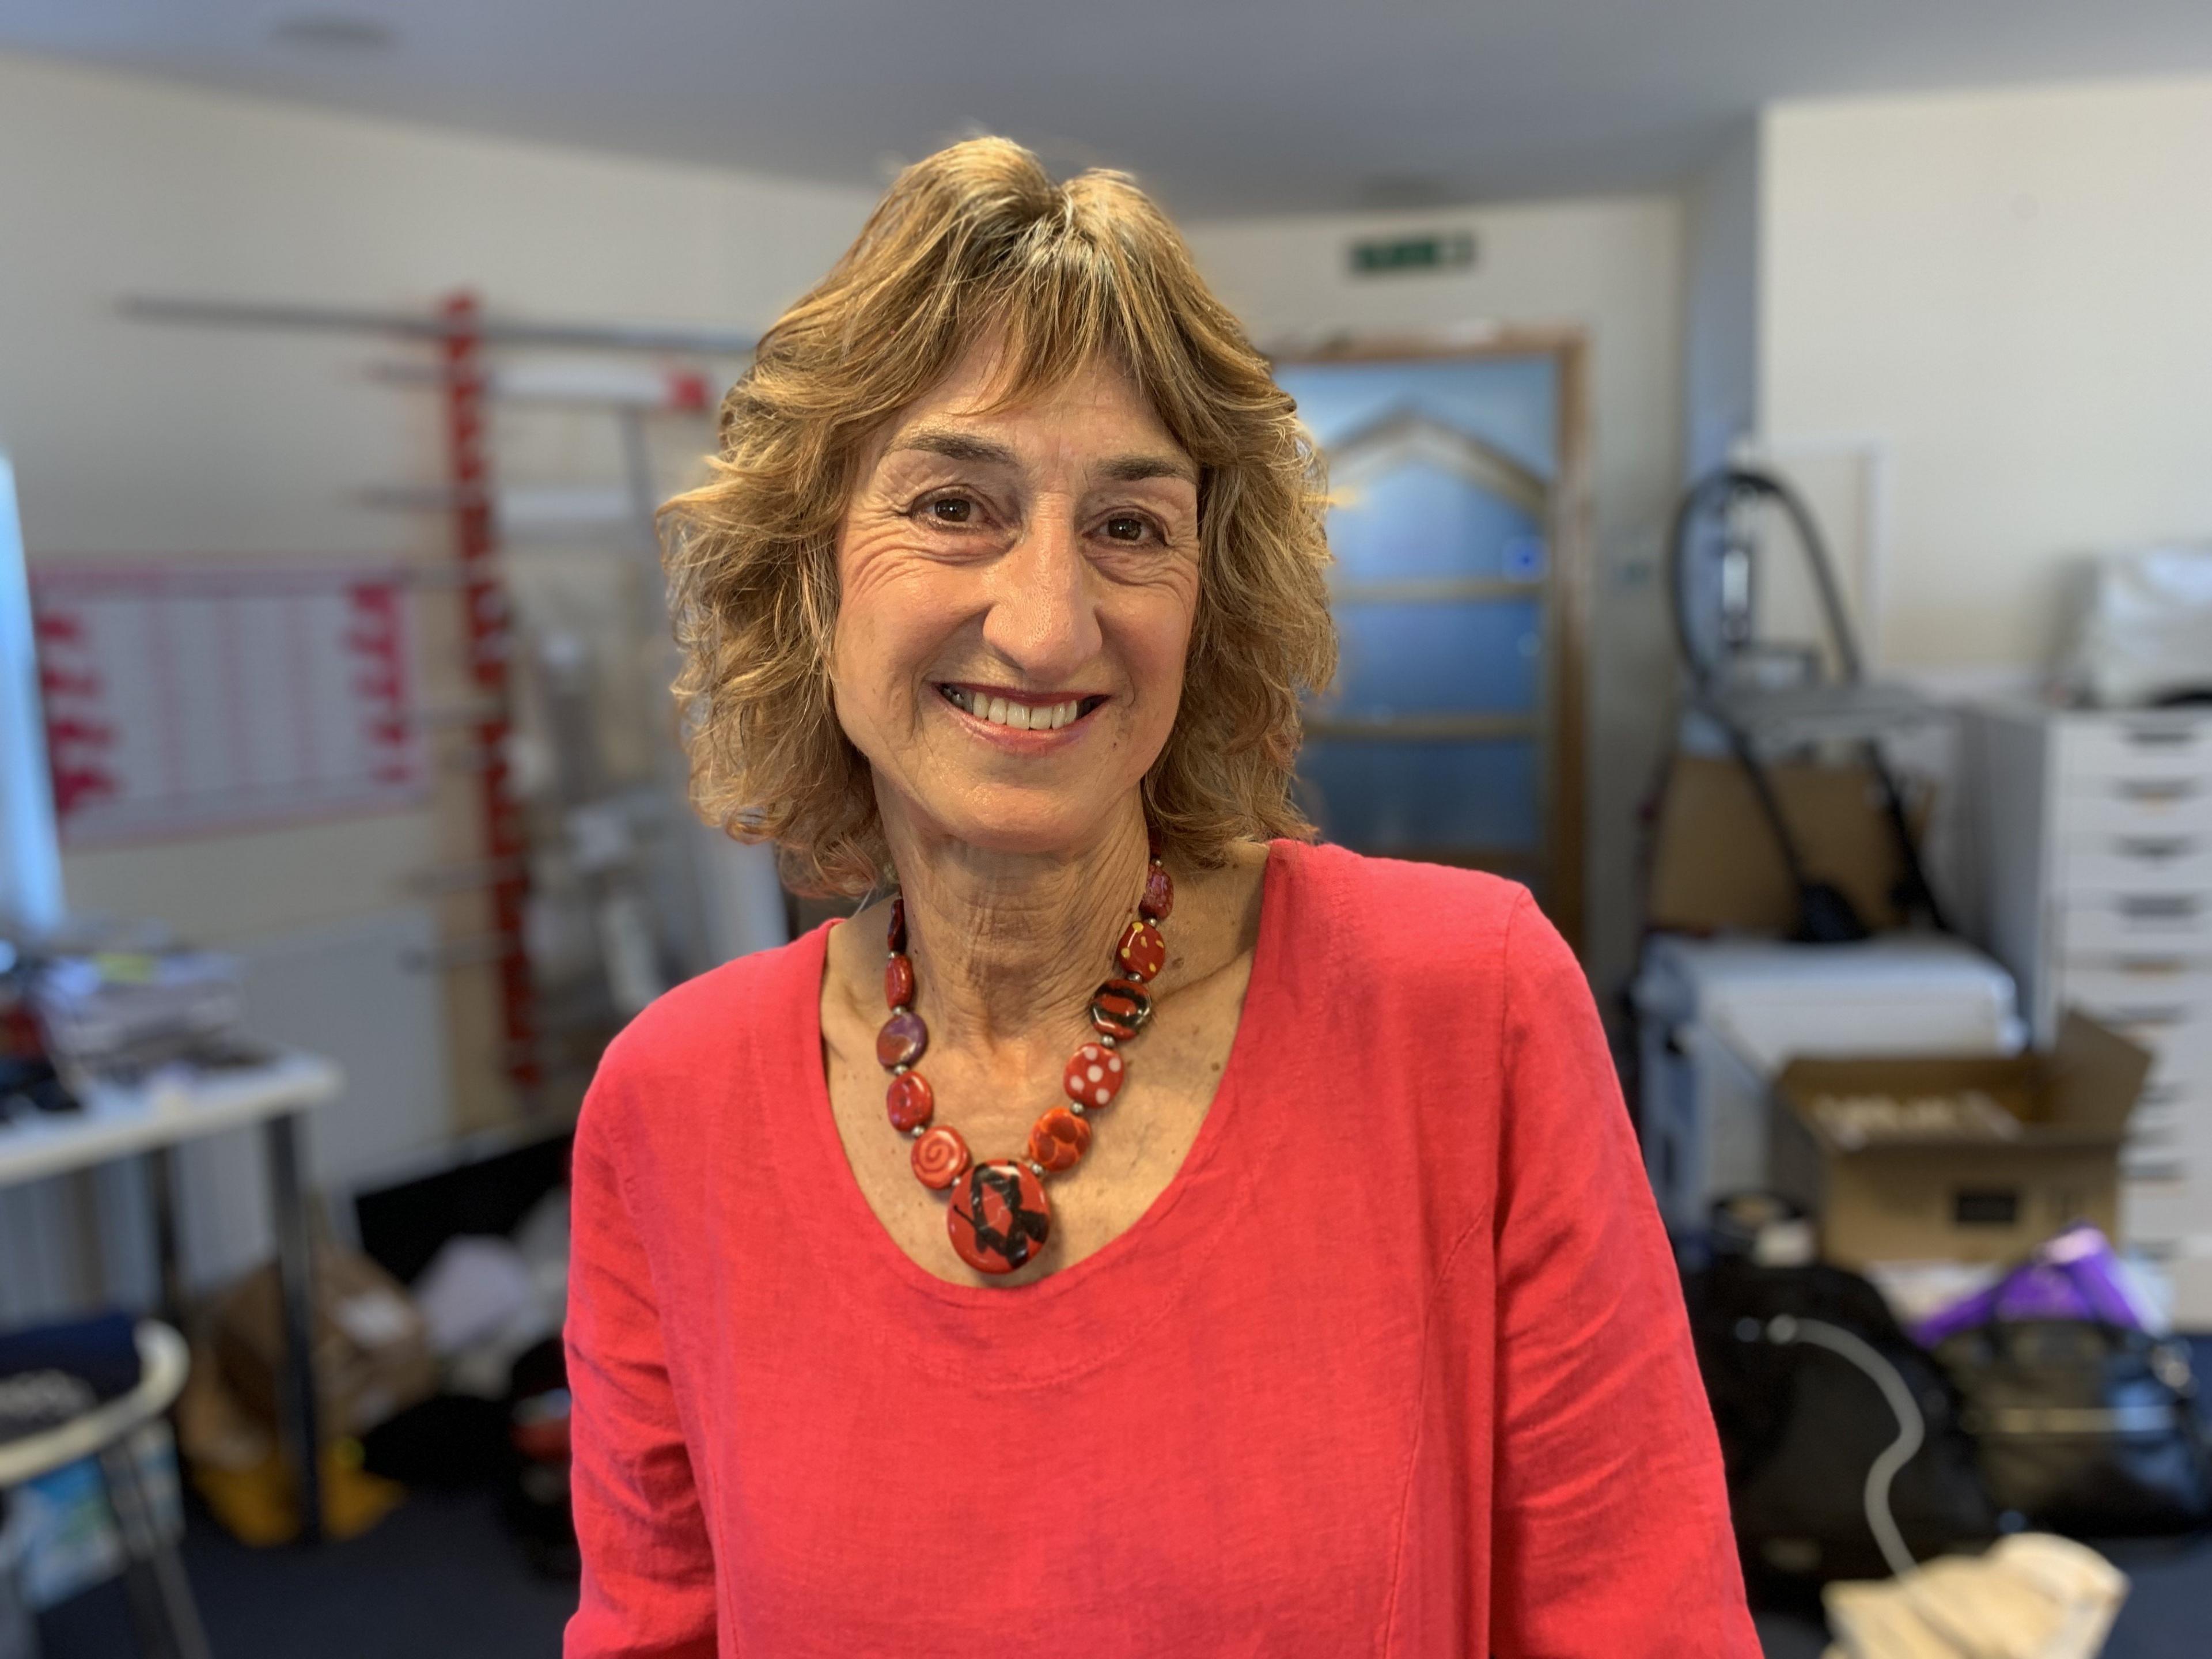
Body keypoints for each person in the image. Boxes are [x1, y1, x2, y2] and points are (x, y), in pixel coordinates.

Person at [564, 136, 1757, 1657]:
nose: (1049, 623)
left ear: (1214, 593)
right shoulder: (669, 1104)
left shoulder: (1464, 1008)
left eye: (1131, 527)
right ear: (810, 577)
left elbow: (1644, 1622)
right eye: (953, 506)